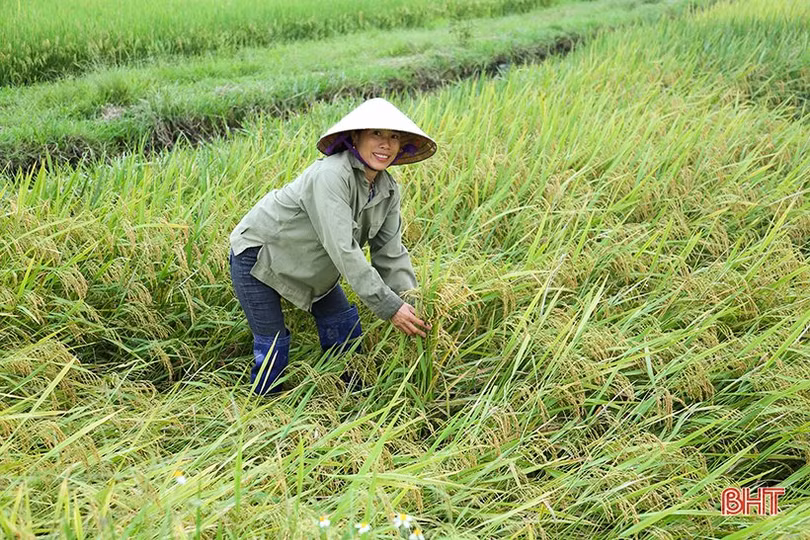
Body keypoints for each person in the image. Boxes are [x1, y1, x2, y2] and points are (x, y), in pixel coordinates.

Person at [229, 98, 435, 395]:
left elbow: (390, 254)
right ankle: (263, 410)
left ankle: (351, 398)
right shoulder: (331, 176)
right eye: (376, 134)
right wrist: (390, 308)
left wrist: (411, 305)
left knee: (344, 328)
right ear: (355, 137)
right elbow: (344, 250)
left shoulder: (388, 189)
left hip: (312, 265)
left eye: (394, 137)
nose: (386, 144)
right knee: (273, 345)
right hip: (260, 256)